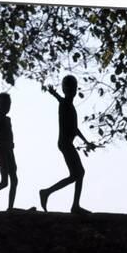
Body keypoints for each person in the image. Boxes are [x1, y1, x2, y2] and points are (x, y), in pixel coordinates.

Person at [39, 75, 95, 214]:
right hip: (65, 144)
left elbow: (75, 129)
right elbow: (74, 128)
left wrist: (87, 142)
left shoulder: (68, 105)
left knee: (76, 174)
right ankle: (51, 194)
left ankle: (51, 194)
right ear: (67, 90)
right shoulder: (66, 105)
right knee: (79, 173)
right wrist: (86, 142)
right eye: (70, 88)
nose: (73, 91)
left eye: (74, 88)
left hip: (66, 143)